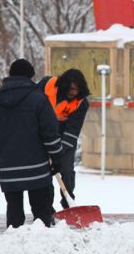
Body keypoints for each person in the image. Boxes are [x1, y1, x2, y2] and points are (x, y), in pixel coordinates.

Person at [0, 59, 64, 228]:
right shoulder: (39, 99)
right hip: (37, 169)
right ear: (30, 76)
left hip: (7, 169)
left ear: (10, 75)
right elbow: (50, 132)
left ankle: (13, 243)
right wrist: (56, 158)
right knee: (42, 213)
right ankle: (42, 246)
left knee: (14, 212)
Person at [37, 69, 90, 209]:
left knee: (66, 170)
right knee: (44, 173)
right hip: (40, 137)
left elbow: (73, 130)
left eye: (77, 89)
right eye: (72, 88)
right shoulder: (45, 86)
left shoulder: (81, 103)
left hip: (64, 140)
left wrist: (58, 151)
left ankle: (68, 202)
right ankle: (46, 207)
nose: (74, 93)